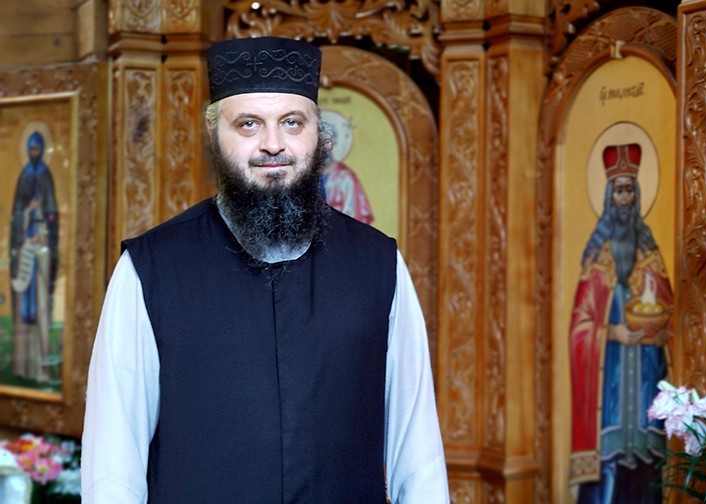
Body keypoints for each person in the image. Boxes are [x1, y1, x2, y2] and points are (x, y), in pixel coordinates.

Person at [81, 36, 449, 503]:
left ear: (319, 134)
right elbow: (113, 468)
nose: (273, 144)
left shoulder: (379, 264)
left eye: (292, 122)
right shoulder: (150, 270)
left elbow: (418, 459)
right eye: (249, 124)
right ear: (214, 132)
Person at [568, 144, 672, 503]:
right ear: (609, 197)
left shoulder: (649, 250)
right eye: (619, 190)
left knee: (644, 464)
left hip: (645, 374)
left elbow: (669, 310)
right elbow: (579, 324)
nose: (625, 198)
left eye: (630, 190)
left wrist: (658, 332)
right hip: (609, 378)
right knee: (610, 460)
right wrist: (611, 331)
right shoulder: (597, 255)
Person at [9, 131, 59, 383]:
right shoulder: (23, 176)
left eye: (38, 149)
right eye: (32, 149)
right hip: (26, 253)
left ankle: (41, 366)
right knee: (23, 310)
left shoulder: (46, 176)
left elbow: (53, 214)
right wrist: (27, 212)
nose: (35, 153)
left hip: (42, 253)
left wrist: (46, 226)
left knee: (40, 308)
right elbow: (16, 216)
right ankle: (23, 367)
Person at [320, 121, 375, 224]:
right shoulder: (305, 175)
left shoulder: (345, 177)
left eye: (326, 142)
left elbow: (353, 214)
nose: (323, 148)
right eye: (319, 142)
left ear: (332, 144)